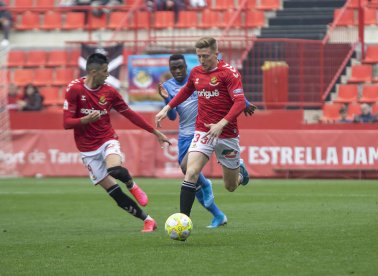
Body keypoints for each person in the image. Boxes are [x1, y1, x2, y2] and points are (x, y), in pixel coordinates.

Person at [63, 53, 171, 233]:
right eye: (105, 71)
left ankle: (132, 185)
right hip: (87, 149)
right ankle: (148, 220)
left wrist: (154, 131)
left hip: (107, 139)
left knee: (114, 168)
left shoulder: (110, 92)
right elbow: (66, 123)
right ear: (93, 71)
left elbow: (129, 113)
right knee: (114, 193)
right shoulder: (74, 89)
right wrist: (85, 120)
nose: (107, 75)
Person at [155, 37, 252, 217]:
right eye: (199, 56)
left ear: (216, 53)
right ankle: (183, 220)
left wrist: (221, 124)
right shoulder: (196, 72)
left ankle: (241, 173)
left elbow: (239, 103)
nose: (202, 60)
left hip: (227, 134)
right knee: (190, 172)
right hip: (203, 131)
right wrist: (167, 107)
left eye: (205, 56)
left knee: (230, 186)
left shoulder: (229, 73)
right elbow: (186, 91)